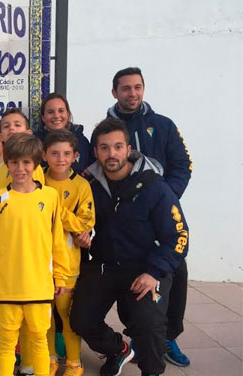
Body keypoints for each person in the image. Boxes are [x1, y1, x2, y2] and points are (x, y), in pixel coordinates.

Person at [70, 118, 189, 376]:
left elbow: (178, 236)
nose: (111, 154)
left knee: (148, 323)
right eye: (104, 147)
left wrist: (154, 273)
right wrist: (84, 235)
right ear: (96, 151)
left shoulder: (155, 187)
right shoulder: (88, 186)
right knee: (80, 320)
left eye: (117, 147)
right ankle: (118, 351)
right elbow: (84, 222)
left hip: (145, 267)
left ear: (127, 149)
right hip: (105, 264)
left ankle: (152, 371)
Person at [106, 67, 193, 366]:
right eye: (126, 88)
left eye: (137, 87)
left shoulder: (163, 125)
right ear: (114, 92)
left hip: (160, 213)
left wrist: (163, 198)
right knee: (131, 280)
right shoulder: (107, 128)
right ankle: (138, 336)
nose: (132, 93)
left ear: (143, 89)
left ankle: (169, 336)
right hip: (127, 222)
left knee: (175, 268)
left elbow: (183, 164)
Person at [0, 133, 71, 376]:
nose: (20, 168)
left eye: (26, 162)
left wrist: (60, 276)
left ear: (37, 164)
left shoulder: (49, 198)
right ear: (7, 163)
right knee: (7, 343)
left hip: (38, 285)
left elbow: (57, 242)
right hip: (7, 286)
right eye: (14, 162)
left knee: (39, 340)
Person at [42, 130, 95, 376]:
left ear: (75, 156)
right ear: (44, 155)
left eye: (66, 154)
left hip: (68, 262)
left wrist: (57, 211)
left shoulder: (81, 185)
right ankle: (50, 358)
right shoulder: (37, 181)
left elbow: (85, 223)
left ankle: (74, 361)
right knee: (45, 315)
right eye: (54, 153)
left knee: (66, 314)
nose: (60, 159)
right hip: (40, 261)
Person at [36, 92, 92, 174]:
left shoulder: (81, 142)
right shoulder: (34, 143)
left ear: (68, 114)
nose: (56, 116)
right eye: (50, 112)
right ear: (43, 117)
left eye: (61, 111)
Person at [0, 108, 45, 191]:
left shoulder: (32, 166)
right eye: (6, 126)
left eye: (17, 125)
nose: (11, 128)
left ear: (28, 133)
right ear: (0, 136)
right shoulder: (1, 166)